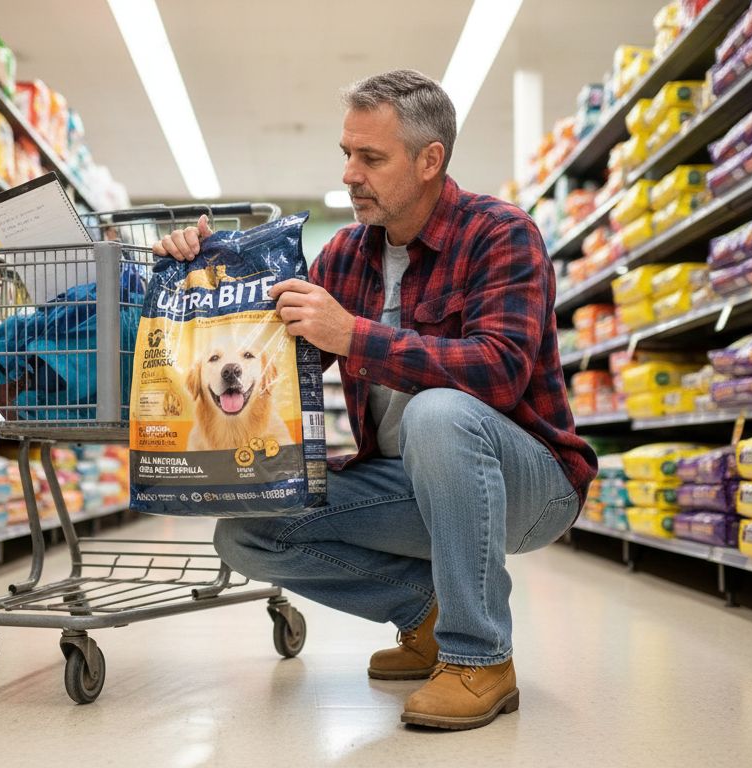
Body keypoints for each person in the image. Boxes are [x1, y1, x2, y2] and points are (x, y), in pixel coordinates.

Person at [152, 69, 596, 731]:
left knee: (437, 411)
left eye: (372, 158)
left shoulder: (502, 234)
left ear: (429, 160)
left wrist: (355, 334)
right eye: (346, 155)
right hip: (410, 482)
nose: (351, 174)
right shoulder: (345, 255)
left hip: (529, 485)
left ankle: (480, 657)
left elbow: (500, 371)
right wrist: (202, 271)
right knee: (248, 530)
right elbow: (270, 357)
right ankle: (426, 614)